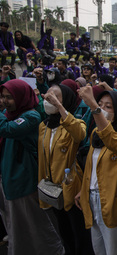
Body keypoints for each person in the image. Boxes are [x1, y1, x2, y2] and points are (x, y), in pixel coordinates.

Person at [0, 79, 64, 254]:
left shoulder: (31, 116)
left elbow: (8, 129)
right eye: (3, 97)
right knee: (17, 225)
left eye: (9, 97)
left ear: (21, 97)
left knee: (36, 224)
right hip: (9, 177)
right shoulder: (8, 114)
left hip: (24, 179)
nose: (5, 101)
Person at [75, 87, 117, 254]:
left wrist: (95, 109)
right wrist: (84, 189)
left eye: (108, 107)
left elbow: (114, 141)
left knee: (115, 250)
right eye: (100, 105)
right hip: (93, 199)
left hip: (114, 202)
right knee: (99, 249)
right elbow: (91, 166)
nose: (102, 109)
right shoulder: (96, 132)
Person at [38, 84, 94, 255]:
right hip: (53, 189)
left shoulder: (75, 123)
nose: (50, 99)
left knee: (79, 233)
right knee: (64, 232)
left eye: (56, 96)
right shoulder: (44, 126)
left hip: (71, 188)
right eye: (49, 95)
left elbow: (79, 134)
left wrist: (60, 107)